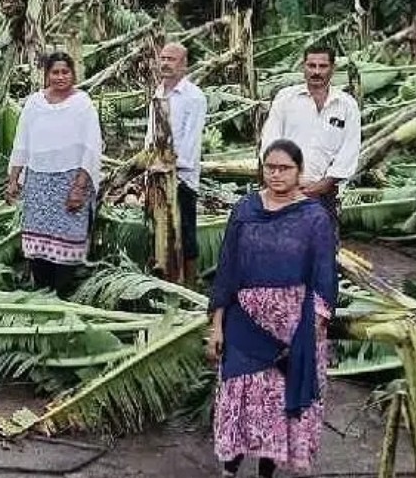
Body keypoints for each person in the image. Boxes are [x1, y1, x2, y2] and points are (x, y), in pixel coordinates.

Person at [208, 139, 338, 477]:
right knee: (238, 396)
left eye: (285, 168)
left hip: (293, 326)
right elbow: (227, 269)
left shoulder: (314, 217)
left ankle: (267, 472)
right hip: (244, 323)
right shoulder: (245, 210)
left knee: (277, 402)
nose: (277, 174)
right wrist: (217, 325)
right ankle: (229, 471)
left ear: (299, 173)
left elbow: (324, 274)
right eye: (270, 168)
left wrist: (312, 330)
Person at [7, 52, 103, 298]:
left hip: (70, 182)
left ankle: (61, 295)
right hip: (38, 182)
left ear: (73, 74)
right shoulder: (34, 103)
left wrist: (79, 187)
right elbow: (22, 142)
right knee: (37, 242)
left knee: (66, 240)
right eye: (55, 72)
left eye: (65, 72)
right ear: (46, 75)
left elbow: (91, 148)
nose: (60, 77)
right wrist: (13, 178)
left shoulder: (83, 104)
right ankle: (41, 292)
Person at [258, 45, 361, 221]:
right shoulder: (286, 99)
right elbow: (270, 141)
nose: (316, 72)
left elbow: (349, 150)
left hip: (325, 194)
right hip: (283, 190)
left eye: (323, 66)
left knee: (322, 245)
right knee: (282, 244)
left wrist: (322, 185)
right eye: (311, 66)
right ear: (303, 67)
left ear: (333, 69)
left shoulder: (346, 105)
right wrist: (286, 181)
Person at [145, 42, 208, 285]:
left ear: (184, 65)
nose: (165, 64)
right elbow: (151, 135)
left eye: (171, 59)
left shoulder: (194, 97)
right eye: (162, 58)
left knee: (185, 232)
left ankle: (190, 285)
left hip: (182, 177)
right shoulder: (158, 93)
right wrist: (149, 163)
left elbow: (191, 141)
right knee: (160, 232)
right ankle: (165, 281)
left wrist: (169, 163)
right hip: (156, 175)